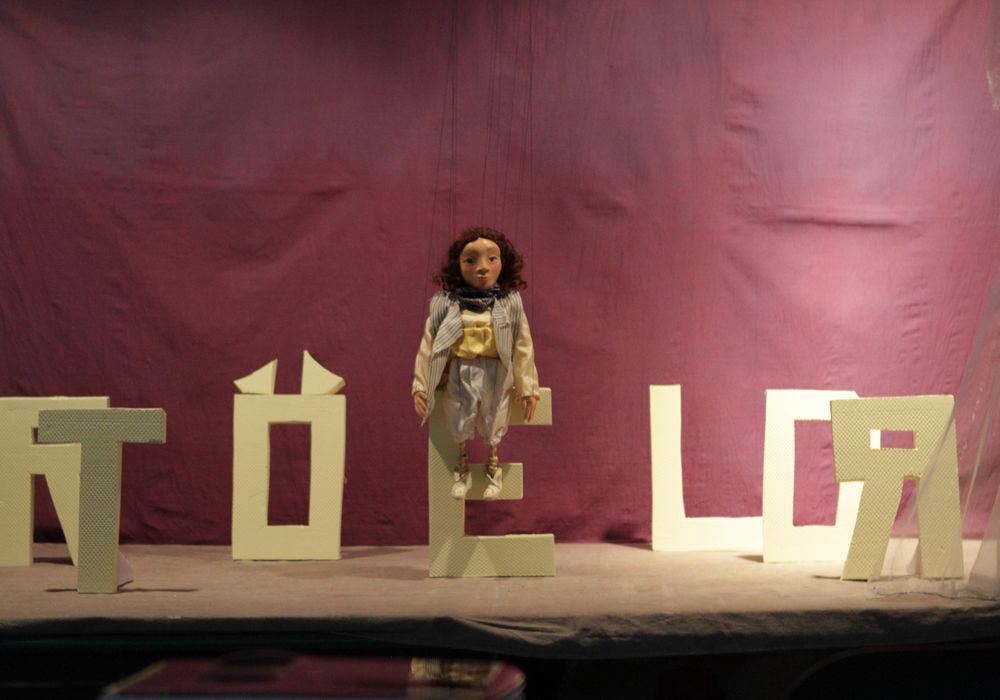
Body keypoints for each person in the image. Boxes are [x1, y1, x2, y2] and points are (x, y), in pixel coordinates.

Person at [413, 226, 540, 499]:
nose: (482, 267)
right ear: (457, 266)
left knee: (495, 415)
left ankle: (493, 468)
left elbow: (523, 346)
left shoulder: (509, 304)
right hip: (460, 371)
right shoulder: (445, 305)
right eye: (470, 260)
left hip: (496, 371)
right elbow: (429, 346)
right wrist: (420, 385)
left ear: (503, 262)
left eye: (491, 258)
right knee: (459, 415)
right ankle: (462, 469)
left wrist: (528, 386)